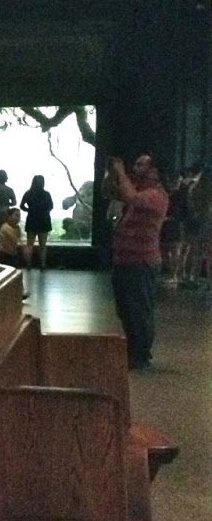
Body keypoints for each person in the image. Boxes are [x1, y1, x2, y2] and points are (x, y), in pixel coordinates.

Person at [103, 154, 168, 370]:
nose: (135, 167)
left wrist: (121, 172)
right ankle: (132, 350)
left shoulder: (156, 195)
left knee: (139, 309)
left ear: (154, 171)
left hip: (142, 263)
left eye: (141, 165)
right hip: (124, 261)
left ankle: (140, 354)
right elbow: (108, 192)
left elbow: (131, 197)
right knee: (125, 309)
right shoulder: (139, 189)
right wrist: (111, 173)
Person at [0, 205, 29, 298]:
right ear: (9, 216)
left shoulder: (17, 228)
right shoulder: (6, 228)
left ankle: (18, 291)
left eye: (19, 216)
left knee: (14, 274)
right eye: (16, 215)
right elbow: (16, 241)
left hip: (11, 254)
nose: (18, 218)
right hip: (3, 255)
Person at [20, 175, 54, 270]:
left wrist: (29, 210)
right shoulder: (46, 194)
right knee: (42, 245)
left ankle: (28, 264)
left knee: (30, 244)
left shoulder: (28, 193)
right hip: (44, 220)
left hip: (31, 219)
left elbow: (21, 205)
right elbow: (51, 206)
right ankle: (42, 264)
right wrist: (45, 212)